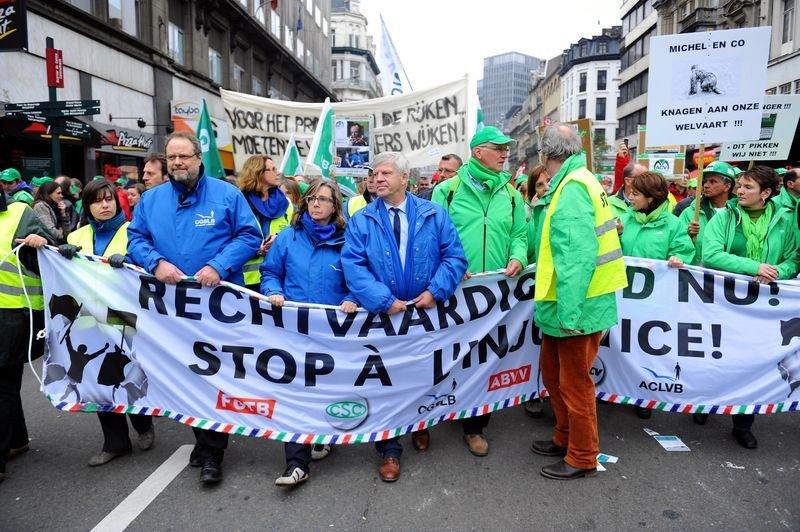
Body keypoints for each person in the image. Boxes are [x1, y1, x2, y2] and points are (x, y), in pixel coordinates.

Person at [127, 131, 261, 485]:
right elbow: (136, 239)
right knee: (182, 373)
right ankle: (203, 441)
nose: (177, 164)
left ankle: (212, 452)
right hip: (170, 306)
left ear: (198, 158)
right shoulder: (152, 199)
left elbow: (250, 235)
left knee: (210, 372)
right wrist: (155, 263)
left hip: (216, 305)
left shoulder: (226, 195)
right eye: (171, 158)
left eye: (183, 157)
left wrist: (218, 265)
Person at [341, 151, 467, 482]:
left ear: (404, 178)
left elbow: (454, 257)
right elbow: (353, 266)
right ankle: (389, 450)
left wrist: (435, 292)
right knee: (384, 384)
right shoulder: (362, 220)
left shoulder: (434, 215)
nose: (377, 179)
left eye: (385, 173)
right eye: (374, 174)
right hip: (382, 316)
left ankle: (420, 424)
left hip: (424, 314)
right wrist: (383, 301)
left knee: (422, 376)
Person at [529, 124, 627, 480]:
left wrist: (569, 311)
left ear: (546, 154)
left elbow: (574, 256)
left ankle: (583, 455)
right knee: (555, 377)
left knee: (574, 383)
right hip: (571, 303)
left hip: (576, 306)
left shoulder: (571, 188)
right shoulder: (581, 180)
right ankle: (564, 437)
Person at [430, 126, 527, 456]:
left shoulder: (512, 195)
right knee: (450, 353)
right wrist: (453, 262)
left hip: (496, 293)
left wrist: (517, 256)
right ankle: (435, 411)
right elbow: (435, 238)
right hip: (456, 289)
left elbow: (520, 234)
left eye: (506, 149)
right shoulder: (447, 191)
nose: (504, 153)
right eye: (497, 148)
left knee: (486, 356)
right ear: (476, 152)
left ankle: (475, 426)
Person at [260, 180, 357, 487]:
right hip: (293, 330)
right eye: (312, 198)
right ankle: (296, 464)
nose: (316, 204)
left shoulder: (348, 240)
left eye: (324, 200)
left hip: (331, 332)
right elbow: (271, 272)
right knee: (294, 394)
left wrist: (353, 297)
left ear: (335, 207)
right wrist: (273, 291)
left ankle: (324, 437)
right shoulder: (288, 237)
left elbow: (358, 277)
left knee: (327, 389)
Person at [699, 166, 799, 449]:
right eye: (739, 186)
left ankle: (743, 423)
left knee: (754, 362)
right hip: (723, 300)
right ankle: (702, 404)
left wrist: (776, 271)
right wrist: (754, 267)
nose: (740, 191)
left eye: (748, 187)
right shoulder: (724, 216)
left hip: (763, 306)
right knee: (717, 356)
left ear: (766, 193)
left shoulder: (785, 219)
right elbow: (712, 253)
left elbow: (794, 257)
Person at [56, 179, 155, 466]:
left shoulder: (133, 232)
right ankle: (116, 442)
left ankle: (143, 424)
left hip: (125, 314)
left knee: (128, 372)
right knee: (97, 378)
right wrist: (62, 255)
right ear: (87, 205)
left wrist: (130, 261)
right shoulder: (77, 236)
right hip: (88, 317)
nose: (105, 205)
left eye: (109, 199)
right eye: (98, 200)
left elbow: (148, 266)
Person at [616, 171, 695, 419]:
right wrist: (615, 236)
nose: (630, 197)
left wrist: (678, 258)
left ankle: (643, 396)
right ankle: (613, 387)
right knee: (618, 345)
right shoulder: (623, 220)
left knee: (645, 349)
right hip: (622, 299)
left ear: (652, 198)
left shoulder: (673, 225)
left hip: (653, 304)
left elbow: (684, 251)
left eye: (636, 194)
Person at [0, 190, 53, 483]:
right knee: (5, 383)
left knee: (2, 383)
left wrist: (40, 243)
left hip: (14, 315)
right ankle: (17, 439)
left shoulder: (19, 213)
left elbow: (54, 249)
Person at [237, 155, 293, 291]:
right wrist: (256, 249)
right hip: (246, 281)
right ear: (258, 173)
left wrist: (279, 241)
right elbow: (229, 238)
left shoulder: (287, 204)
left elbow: (295, 237)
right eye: (272, 169)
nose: (278, 172)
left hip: (279, 278)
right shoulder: (238, 202)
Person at [677, 161, 737, 265]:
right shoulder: (690, 212)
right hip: (696, 276)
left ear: (727, 186)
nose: (706, 185)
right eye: (705, 181)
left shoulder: (739, 213)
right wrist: (688, 234)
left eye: (713, 182)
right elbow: (676, 244)